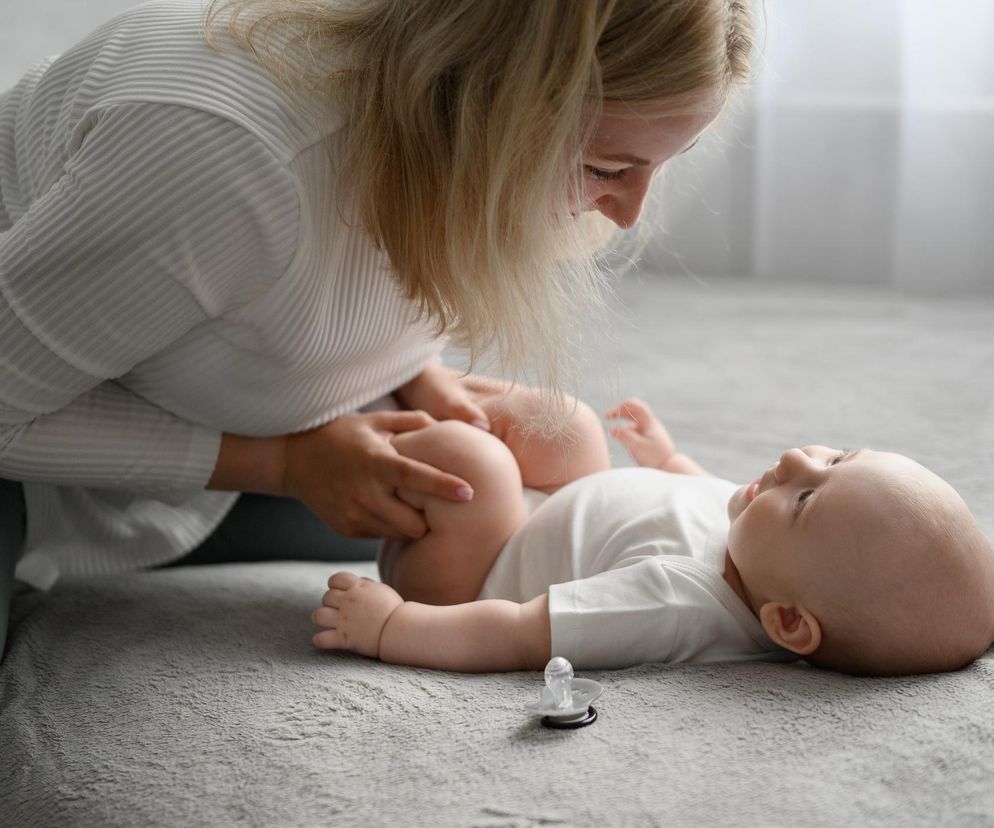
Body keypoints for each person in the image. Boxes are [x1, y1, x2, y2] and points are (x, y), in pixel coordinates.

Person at [0, 0, 753, 656]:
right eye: (605, 169)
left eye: (661, 164)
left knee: (502, 507)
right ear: (495, 95)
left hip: (180, 434)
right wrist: (284, 466)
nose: (627, 214)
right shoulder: (228, 159)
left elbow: (318, 282)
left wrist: (408, 373)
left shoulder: (434, 122)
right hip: (28, 462)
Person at [312, 399, 994, 677]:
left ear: (786, 620)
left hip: (473, 574)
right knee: (569, 425)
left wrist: (394, 626)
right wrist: (667, 461)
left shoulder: (671, 606)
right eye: (838, 454)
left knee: (479, 466)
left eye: (808, 496)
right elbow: (697, 497)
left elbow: (519, 632)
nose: (794, 459)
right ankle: (407, 388)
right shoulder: (765, 549)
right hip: (554, 516)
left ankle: (343, 427)